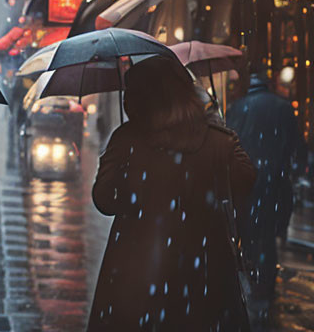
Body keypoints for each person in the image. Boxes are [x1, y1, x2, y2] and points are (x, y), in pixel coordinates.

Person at [88, 55, 256, 331]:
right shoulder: (217, 139)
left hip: (137, 270)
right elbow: (246, 181)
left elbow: (104, 199)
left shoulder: (127, 139)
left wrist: (122, 172)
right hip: (204, 268)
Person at [226, 66, 307, 329]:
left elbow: (231, 146)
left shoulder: (236, 109)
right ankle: (265, 287)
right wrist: (296, 168)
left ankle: (255, 280)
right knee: (268, 235)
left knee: (250, 233)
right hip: (275, 182)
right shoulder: (282, 107)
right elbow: (296, 145)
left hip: (247, 182)